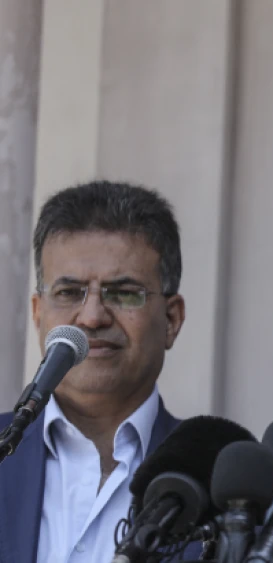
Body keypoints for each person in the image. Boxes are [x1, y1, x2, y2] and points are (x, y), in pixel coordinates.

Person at [0, 181, 187, 563]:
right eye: (69, 292)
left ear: (171, 319)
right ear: (38, 314)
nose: (92, 317)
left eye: (124, 292)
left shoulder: (223, 475)